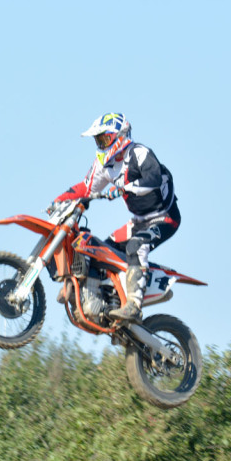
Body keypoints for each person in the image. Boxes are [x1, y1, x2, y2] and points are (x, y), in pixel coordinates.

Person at [53, 113, 181, 323]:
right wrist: (59, 201)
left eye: (104, 139)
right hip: (139, 221)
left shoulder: (139, 153)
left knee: (136, 245)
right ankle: (106, 299)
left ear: (118, 136)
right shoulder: (104, 165)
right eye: (98, 140)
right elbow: (85, 187)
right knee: (99, 250)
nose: (101, 144)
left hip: (165, 218)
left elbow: (154, 178)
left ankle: (133, 305)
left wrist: (125, 188)